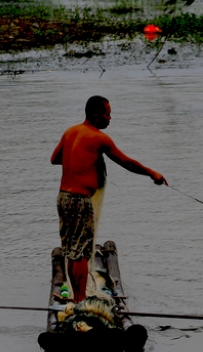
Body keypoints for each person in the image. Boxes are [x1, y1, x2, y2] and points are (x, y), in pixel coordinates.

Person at [51, 96, 167, 303]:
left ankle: (76, 297)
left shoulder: (70, 132)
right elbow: (126, 162)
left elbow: (55, 159)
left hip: (63, 198)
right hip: (79, 200)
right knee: (81, 253)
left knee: (71, 250)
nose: (110, 118)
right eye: (107, 113)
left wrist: (80, 160)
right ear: (95, 115)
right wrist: (152, 173)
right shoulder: (99, 138)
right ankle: (80, 302)